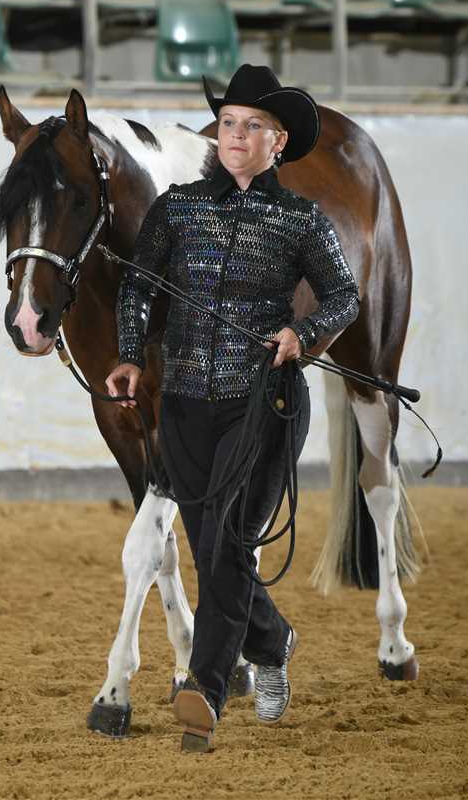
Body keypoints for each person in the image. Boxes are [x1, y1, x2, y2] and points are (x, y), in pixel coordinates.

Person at [106, 64, 359, 752]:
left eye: (252, 126)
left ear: (279, 142)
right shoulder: (177, 209)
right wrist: (130, 356)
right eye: (227, 123)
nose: (235, 135)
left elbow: (344, 295)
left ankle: (207, 691)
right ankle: (272, 643)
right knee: (214, 548)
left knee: (228, 545)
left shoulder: (301, 218)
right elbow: (137, 287)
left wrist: (302, 333)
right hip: (184, 403)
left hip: (263, 405)